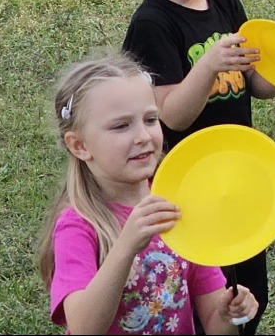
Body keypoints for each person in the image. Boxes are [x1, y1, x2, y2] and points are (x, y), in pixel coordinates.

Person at [121, 0, 275, 335]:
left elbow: (256, 84)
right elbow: (170, 115)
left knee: (250, 290)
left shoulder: (225, 3)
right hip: (188, 186)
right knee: (209, 296)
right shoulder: (152, 24)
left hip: (237, 174)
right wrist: (208, 65)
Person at [40, 55, 257, 335]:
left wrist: (228, 315)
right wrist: (126, 245)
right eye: (121, 126)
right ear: (79, 145)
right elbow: (84, 328)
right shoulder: (78, 225)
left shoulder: (177, 206)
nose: (143, 135)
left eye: (150, 119)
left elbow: (215, 321)